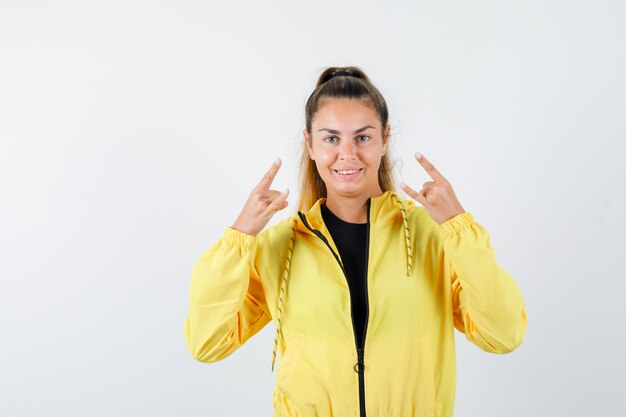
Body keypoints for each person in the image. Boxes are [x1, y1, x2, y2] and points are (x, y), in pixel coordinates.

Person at [184, 66, 528, 417]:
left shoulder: (433, 236)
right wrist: (240, 236)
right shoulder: (279, 247)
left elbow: (502, 334)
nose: (347, 154)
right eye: (331, 138)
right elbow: (207, 343)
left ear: (384, 138)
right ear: (310, 144)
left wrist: (458, 226)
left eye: (362, 137)